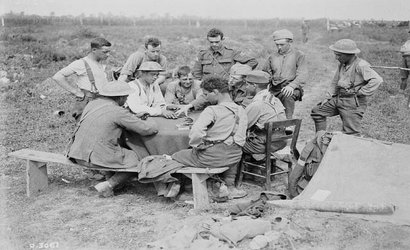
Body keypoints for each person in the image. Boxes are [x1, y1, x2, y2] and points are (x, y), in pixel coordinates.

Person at [66, 80, 159, 197]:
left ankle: (109, 177)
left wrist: (132, 117)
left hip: (77, 153)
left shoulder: (92, 104)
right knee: (138, 158)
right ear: (120, 98)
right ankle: (109, 184)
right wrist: (151, 120)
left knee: (113, 150)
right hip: (94, 157)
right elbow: (147, 129)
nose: (126, 100)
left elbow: (107, 118)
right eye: (126, 97)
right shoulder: (118, 111)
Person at [172, 76, 248, 199]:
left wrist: (197, 145)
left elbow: (196, 132)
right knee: (229, 147)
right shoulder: (241, 109)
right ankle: (230, 187)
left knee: (177, 155)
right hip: (234, 157)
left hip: (211, 158)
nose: (205, 97)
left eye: (206, 94)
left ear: (216, 92)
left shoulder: (211, 110)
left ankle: (187, 189)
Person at [311, 39, 383, 135]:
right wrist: (328, 97)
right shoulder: (342, 64)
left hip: (352, 102)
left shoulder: (361, 65)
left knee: (351, 132)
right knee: (317, 111)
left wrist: (361, 92)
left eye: (339, 55)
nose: (336, 57)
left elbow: (377, 80)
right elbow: (335, 81)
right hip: (339, 98)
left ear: (349, 54)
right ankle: (320, 139)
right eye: (335, 54)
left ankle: (350, 146)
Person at [52, 37, 112, 120]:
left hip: (101, 100)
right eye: (105, 52)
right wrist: (76, 92)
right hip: (87, 101)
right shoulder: (81, 63)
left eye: (109, 52)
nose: (108, 54)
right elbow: (57, 77)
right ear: (94, 50)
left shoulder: (99, 62)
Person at [262, 29, 308, 119]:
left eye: (282, 45)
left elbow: (303, 74)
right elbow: (265, 72)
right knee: (262, 100)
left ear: (290, 42)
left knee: (287, 95)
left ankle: (288, 122)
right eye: (277, 45)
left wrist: (291, 86)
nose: (279, 47)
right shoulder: (272, 56)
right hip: (274, 88)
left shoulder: (299, 55)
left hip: (291, 88)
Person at [242, 70, 287, 155]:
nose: (246, 87)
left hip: (265, 144)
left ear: (254, 85)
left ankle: (245, 166)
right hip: (281, 141)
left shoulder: (257, 104)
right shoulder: (275, 99)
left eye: (247, 84)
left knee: (233, 144)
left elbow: (242, 125)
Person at [192, 28, 258, 80]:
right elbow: (196, 74)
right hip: (207, 89)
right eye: (211, 42)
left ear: (222, 39)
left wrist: (239, 73)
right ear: (208, 40)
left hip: (226, 88)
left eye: (217, 42)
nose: (214, 44)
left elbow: (253, 61)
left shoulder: (232, 53)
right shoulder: (202, 54)